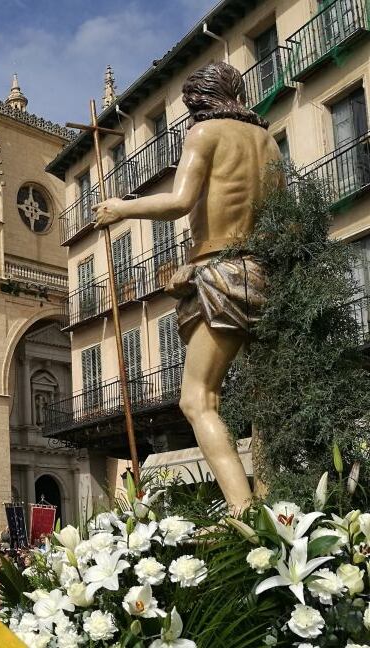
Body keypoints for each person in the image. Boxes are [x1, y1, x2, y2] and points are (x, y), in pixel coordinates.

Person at [93, 61, 281, 513]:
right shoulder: (268, 141)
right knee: (268, 400)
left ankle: (244, 511)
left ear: (198, 101)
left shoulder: (204, 133)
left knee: (197, 399)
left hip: (222, 275)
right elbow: (276, 218)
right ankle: (277, 506)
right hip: (264, 272)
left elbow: (180, 202)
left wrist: (122, 207)